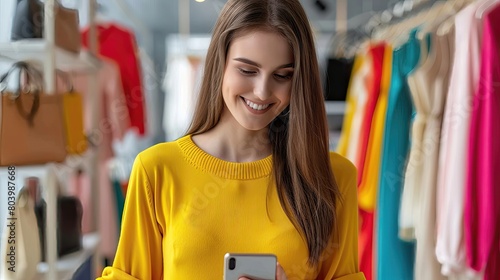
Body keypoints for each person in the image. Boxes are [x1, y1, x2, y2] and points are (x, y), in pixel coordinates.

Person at [97, 0, 365, 279]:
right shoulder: (156, 170)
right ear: (219, 63)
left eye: (283, 75)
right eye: (247, 70)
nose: (262, 92)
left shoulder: (332, 177)